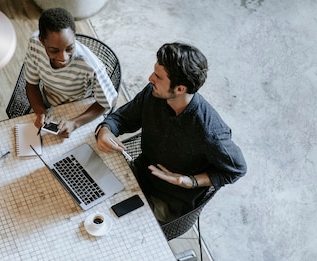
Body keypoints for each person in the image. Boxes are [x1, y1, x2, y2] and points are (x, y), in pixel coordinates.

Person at [95, 42, 247, 223]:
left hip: (169, 200)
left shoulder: (211, 132)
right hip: (139, 174)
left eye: (158, 77)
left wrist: (189, 181)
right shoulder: (153, 93)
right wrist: (106, 130)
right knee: (91, 198)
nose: (150, 78)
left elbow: (237, 170)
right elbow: (122, 119)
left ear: (180, 89)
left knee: (118, 226)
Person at [24, 8, 118, 138]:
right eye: (54, 50)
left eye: (69, 48)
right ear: (41, 40)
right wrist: (40, 112)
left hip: (79, 111)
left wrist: (75, 123)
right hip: (48, 105)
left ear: (75, 36)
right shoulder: (35, 44)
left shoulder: (91, 66)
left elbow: (106, 102)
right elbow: (31, 85)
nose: (63, 58)